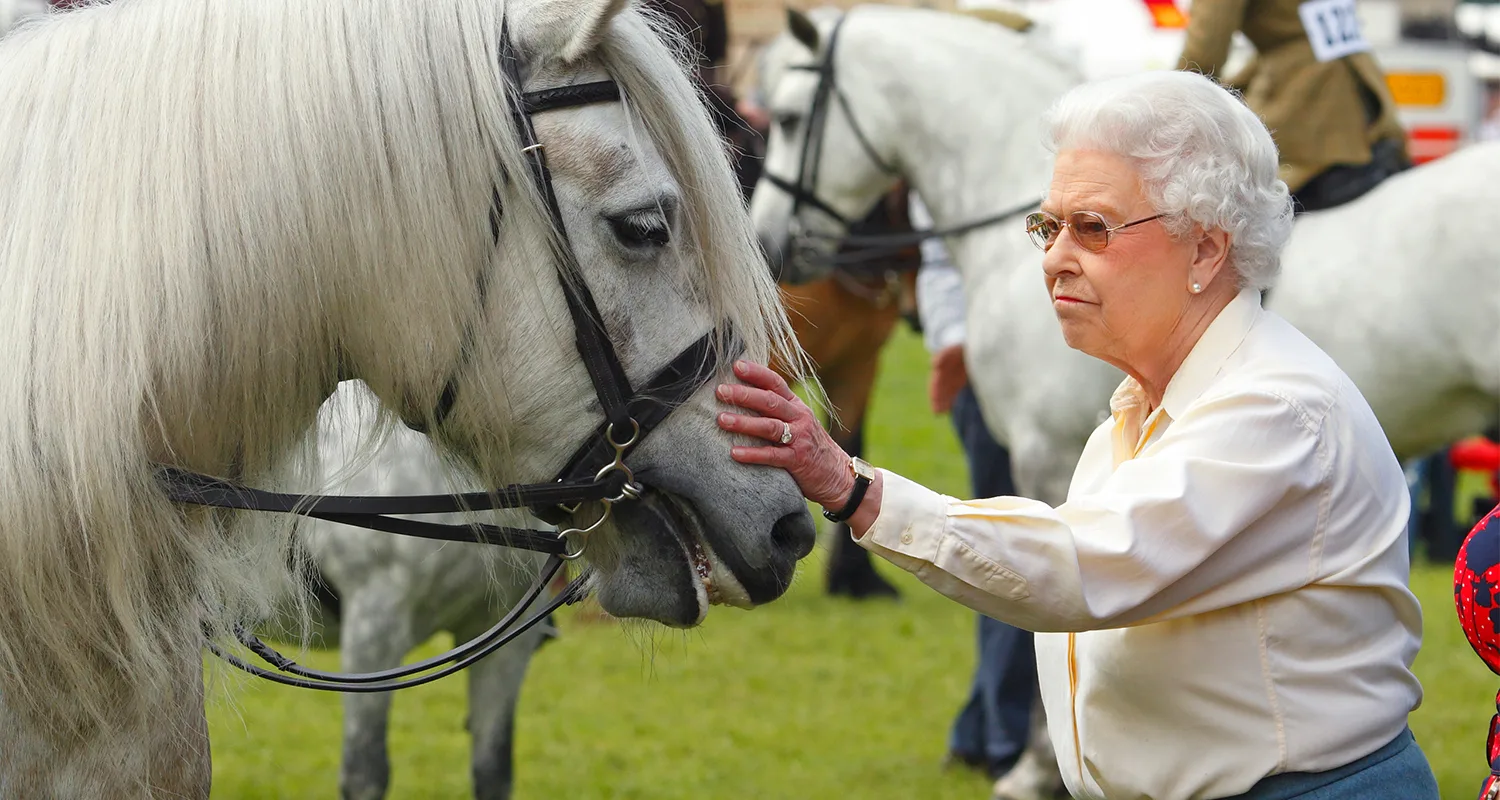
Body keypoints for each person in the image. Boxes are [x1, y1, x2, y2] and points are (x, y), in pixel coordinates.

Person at [714, 70, 1438, 798]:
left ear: (1206, 252)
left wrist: (852, 489)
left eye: (1093, 227)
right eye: (1047, 226)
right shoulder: (1138, 412)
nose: (1056, 257)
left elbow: (1079, 570)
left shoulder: (1277, 409)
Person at [910, 194, 1038, 781]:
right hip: (986, 370)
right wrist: (956, 343)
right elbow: (939, 261)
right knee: (1009, 547)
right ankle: (1002, 733)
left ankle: (986, 726)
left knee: (1011, 546)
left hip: (1017, 365)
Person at [1176, 0, 1411, 213]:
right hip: (1363, 94)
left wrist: (1166, 106)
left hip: (1309, 109)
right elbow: (1294, 36)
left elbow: (1203, 56)